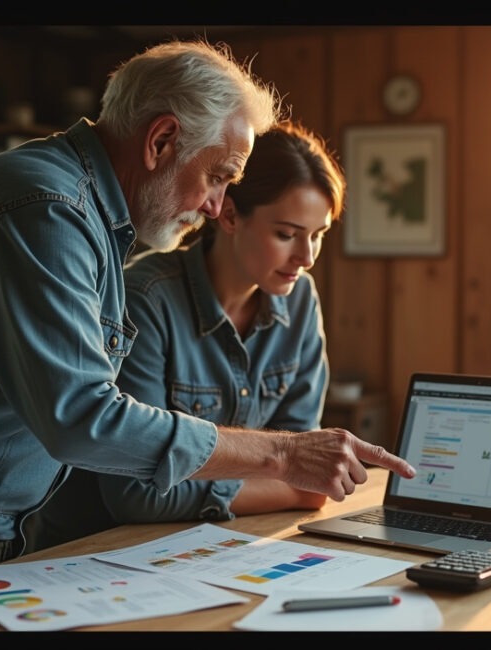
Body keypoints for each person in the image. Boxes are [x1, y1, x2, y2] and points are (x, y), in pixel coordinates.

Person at [0, 39, 414, 619]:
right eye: (219, 177)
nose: (219, 205)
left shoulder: (92, 217)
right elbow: (81, 416)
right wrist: (283, 453)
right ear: (161, 141)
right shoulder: (43, 207)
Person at [29, 121, 344, 549]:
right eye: (286, 234)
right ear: (230, 214)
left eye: (318, 236)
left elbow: (307, 469)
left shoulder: (299, 297)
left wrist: (295, 479)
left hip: (219, 546)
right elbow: (135, 495)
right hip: (105, 552)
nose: (305, 257)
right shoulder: (145, 300)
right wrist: (287, 483)